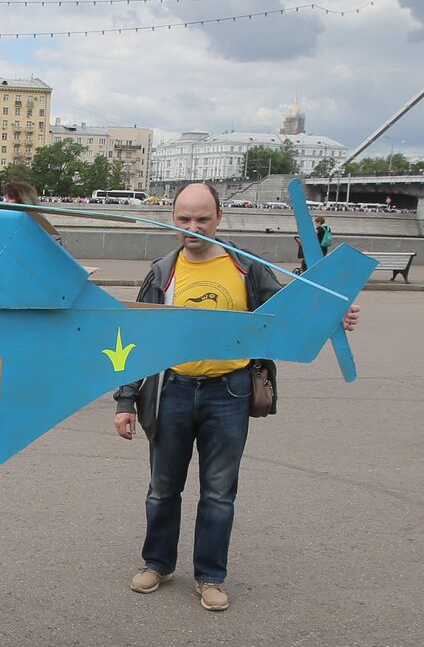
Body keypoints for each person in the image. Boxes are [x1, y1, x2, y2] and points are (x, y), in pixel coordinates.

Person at [113, 182, 360, 612]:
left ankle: (210, 576)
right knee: (162, 489)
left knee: (219, 492)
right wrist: (125, 401)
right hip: (172, 391)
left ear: (219, 218)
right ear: (173, 219)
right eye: (184, 219)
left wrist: (332, 314)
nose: (193, 228)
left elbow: (288, 313)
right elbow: (137, 339)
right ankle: (157, 563)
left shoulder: (246, 267)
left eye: (202, 219)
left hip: (228, 392)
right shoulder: (163, 271)